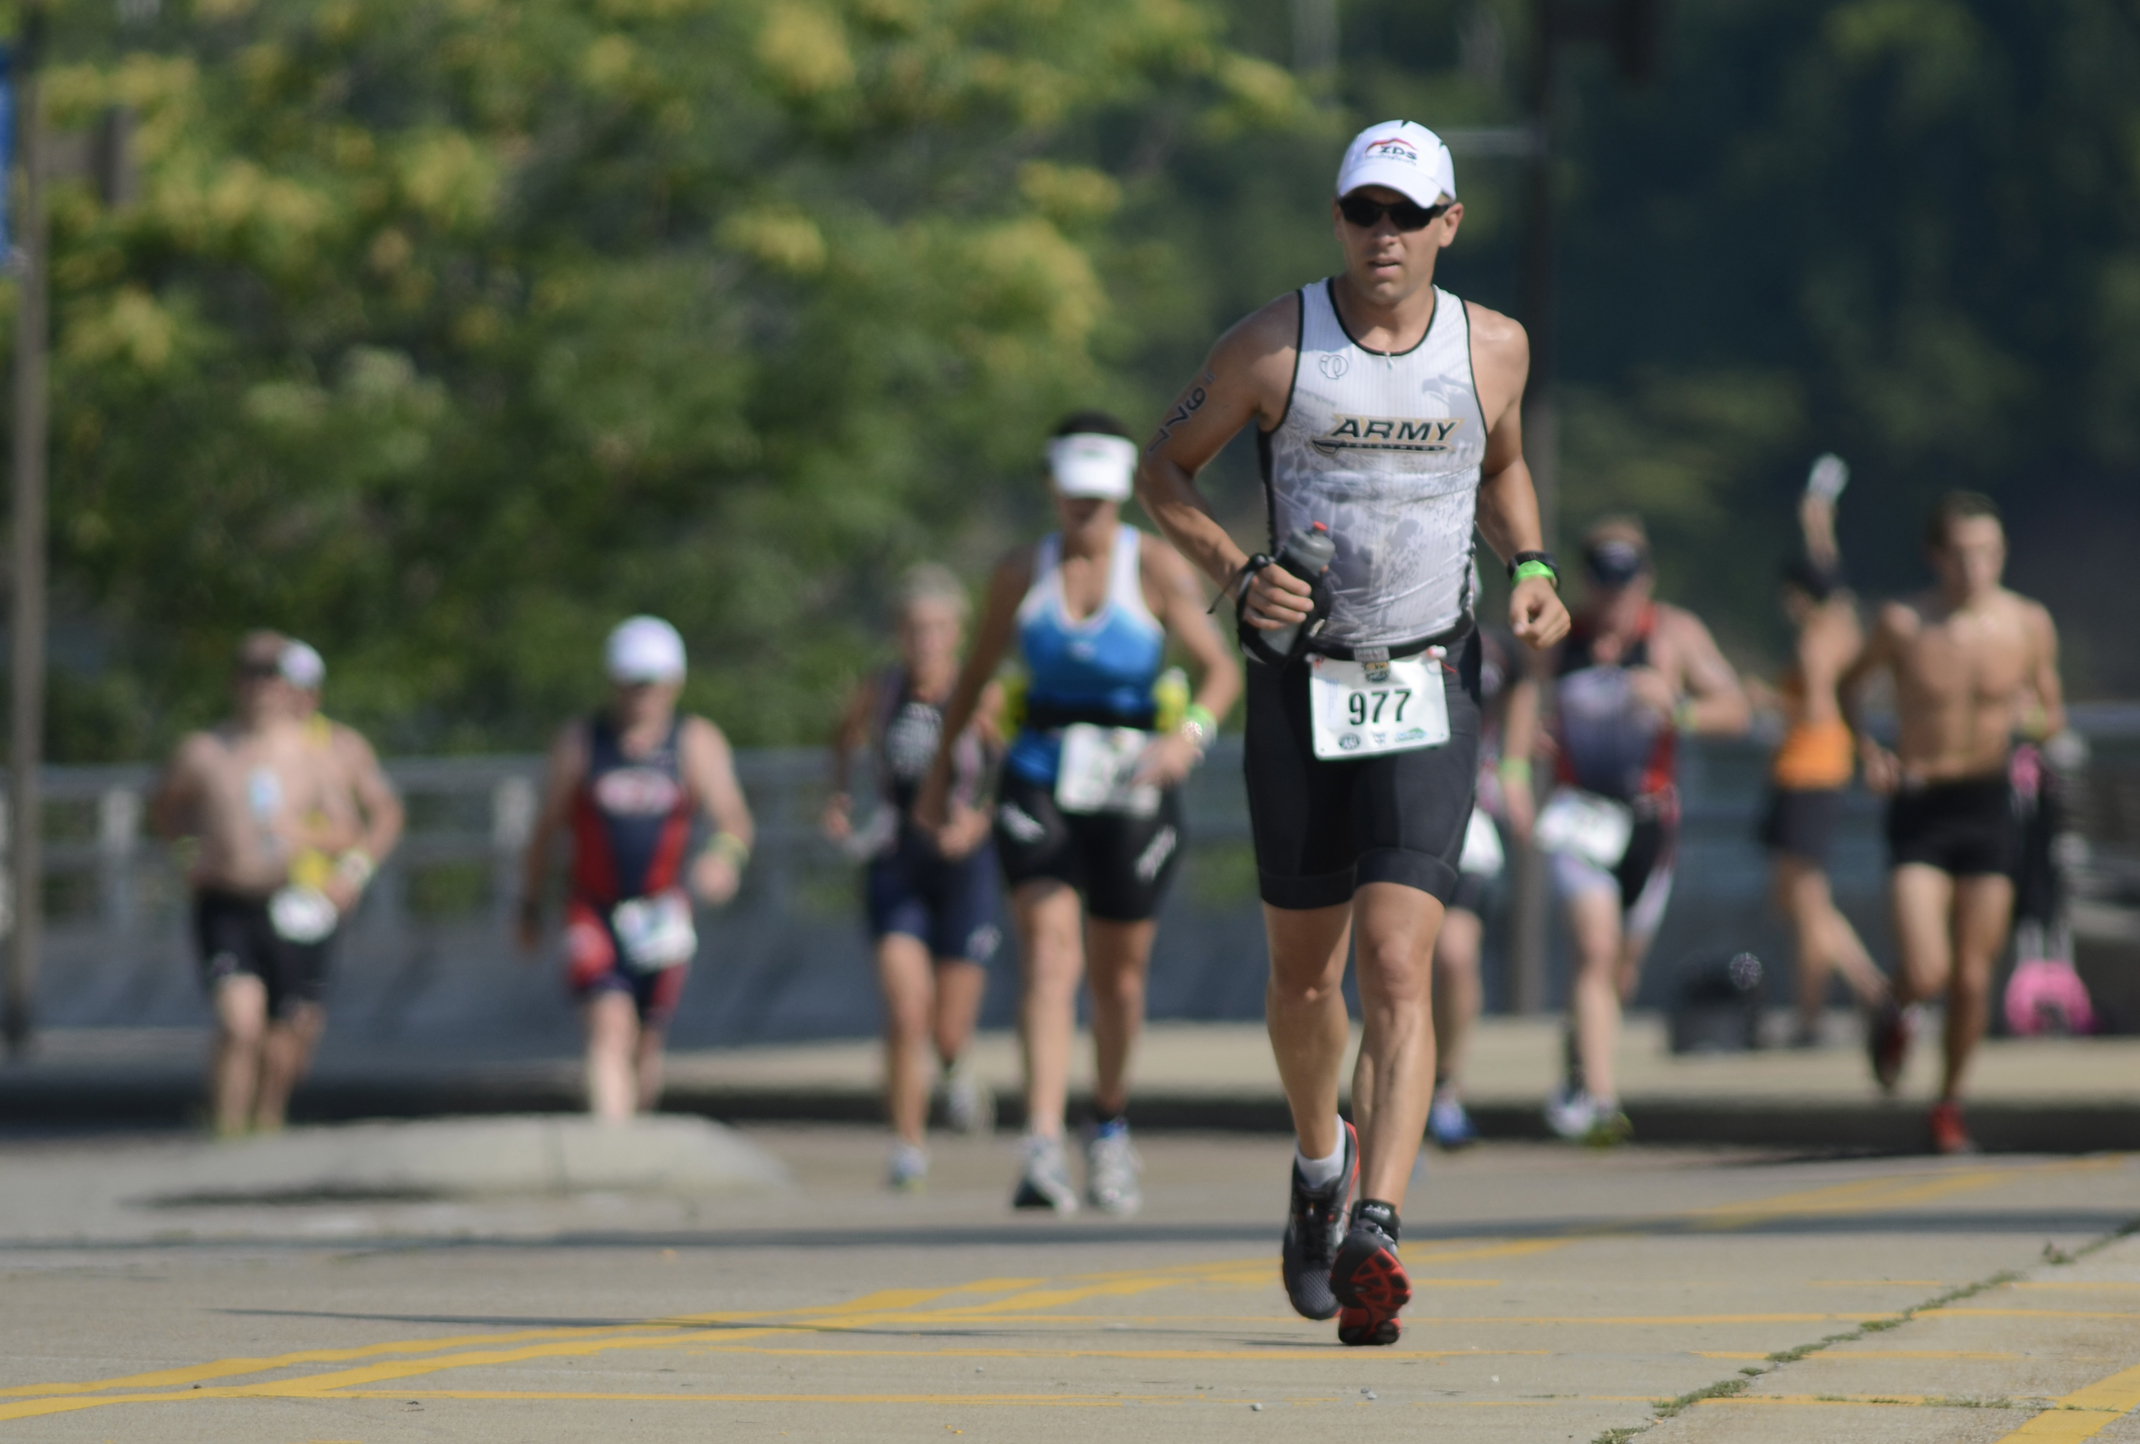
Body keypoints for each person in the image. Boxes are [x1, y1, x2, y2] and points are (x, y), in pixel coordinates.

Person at [1135, 121, 1569, 1347]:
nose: (1383, 237)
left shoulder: (1492, 345)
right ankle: (1318, 1161)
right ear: (1338, 221)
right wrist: (1234, 570)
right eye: (1361, 213)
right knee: (1305, 977)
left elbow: (1506, 466)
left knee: (1396, 962)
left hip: (1430, 674)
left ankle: (1376, 1222)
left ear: (1448, 224)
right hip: (1298, 685)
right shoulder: (1273, 346)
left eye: (1405, 214)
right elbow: (1161, 471)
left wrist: (1529, 561)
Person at [917, 410, 1241, 1218]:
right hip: (1038, 773)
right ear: (1052, 490)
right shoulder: (1019, 572)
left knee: (1117, 975)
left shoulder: (1157, 567)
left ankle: (1109, 1125)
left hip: (1133, 781)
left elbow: (1219, 672)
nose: (1086, 513)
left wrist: (1187, 742)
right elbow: (973, 676)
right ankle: (1039, 1140)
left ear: (1121, 495)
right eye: (1073, 497)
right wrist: (939, 777)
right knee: (1048, 954)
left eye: (1099, 498)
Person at [1502, 517, 1749, 1146]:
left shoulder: (1674, 635)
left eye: (1627, 584)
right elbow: (1525, 695)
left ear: (1647, 580)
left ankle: (1580, 1063)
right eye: (1604, 585)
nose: (1616, 600)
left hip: (1648, 823)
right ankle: (1603, 1101)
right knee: (1594, 948)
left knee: (1620, 971)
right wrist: (1513, 769)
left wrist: (1679, 706)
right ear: (1585, 583)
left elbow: (1737, 709)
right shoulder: (1564, 636)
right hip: (1581, 817)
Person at [1840, 492, 2064, 1154]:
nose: (1976, 567)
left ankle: (1948, 1100)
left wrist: (2034, 722)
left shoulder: (2026, 623)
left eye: (1988, 553)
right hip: (1921, 801)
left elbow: (2055, 714)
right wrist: (1867, 750)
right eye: (1962, 554)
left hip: (1989, 803)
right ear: (1936, 556)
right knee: (1929, 968)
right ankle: (1893, 1004)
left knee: (1973, 975)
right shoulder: (1904, 622)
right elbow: (1847, 685)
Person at [517, 616, 755, 1121]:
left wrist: (723, 857)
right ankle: (612, 1147)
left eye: (649, 685)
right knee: (609, 1025)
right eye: (629, 684)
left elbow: (734, 818)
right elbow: (544, 831)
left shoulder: (694, 742)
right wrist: (529, 903)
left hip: (661, 914)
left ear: (672, 684)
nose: (638, 697)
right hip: (593, 908)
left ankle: (635, 1128)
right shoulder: (582, 742)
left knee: (645, 1044)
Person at [150, 632, 384, 1135]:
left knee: (291, 1029)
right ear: (234, 683)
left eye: (270, 676)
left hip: (288, 901)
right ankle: (227, 1129)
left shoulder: (315, 753)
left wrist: (319, 848)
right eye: (250, 675)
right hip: (226, 900)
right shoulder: (204, 751)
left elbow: (353, 828)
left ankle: (267, 1122)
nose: (261, 688)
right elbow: (166, 807)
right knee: (241, 1021)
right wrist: (188, 852)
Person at [824, 565, 1006, 1191]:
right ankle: (906, 1144)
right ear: (898, 633)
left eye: (936, 628)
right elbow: (841, 740)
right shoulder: (881, 690)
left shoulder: (980, 693)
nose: (924, 639)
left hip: (961, 863)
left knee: (947, 1027)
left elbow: (1010, 772)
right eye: (913, 628)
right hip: (897, 856)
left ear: (956, 633)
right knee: (906, 1011)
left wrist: (978, 823)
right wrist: (840, 798)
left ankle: (956, 1069)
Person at [1751, 461, 1887, 1046]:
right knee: (1799, 900)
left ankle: (1865, 993)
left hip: (1805, 769)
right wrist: (1817, 512)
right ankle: (1822, 1009)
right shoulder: (1845, 624)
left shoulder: (1812, 641)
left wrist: (1764, 699)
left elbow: (1816, 713)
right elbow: (1827, 567)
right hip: (1828, 771)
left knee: (1805, 904)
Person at [1424, 621, 1517, 1151]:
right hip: (1398, 815)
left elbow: (1524, 684)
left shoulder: (1494, 651)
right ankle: (1398, 1096)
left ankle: (1446, 1086)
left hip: (1468, 820)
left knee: (1455, 957)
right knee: (1395, 962)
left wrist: (1518, 767)